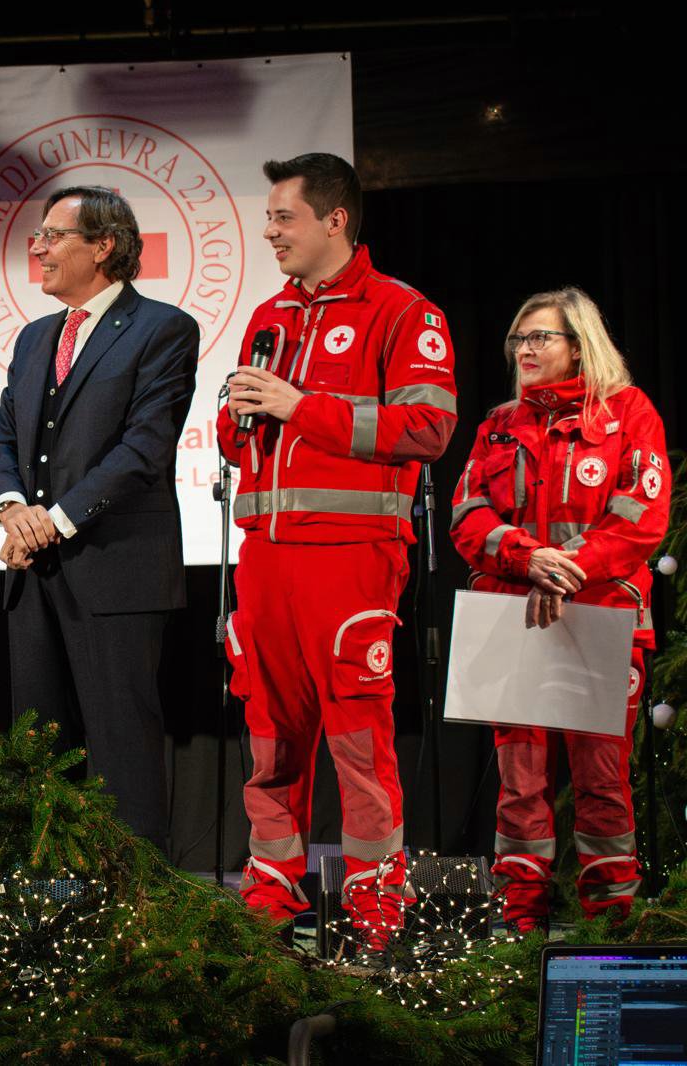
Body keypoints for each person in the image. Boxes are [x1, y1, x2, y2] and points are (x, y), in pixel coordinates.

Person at [216, 154, 458, 951]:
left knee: (358, 739)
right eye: (268, 218)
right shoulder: (269, 315)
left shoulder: (403, 311)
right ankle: (271, 899)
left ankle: (376, 912)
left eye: (283, 217)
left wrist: (301, 407)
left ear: (335, 219)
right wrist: (237, 416)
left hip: (351, 555)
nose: (269, 231)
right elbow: (239, 438)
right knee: (270, 734)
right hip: (266, 557)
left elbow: (428, 427)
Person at [0, 185, 199, 852]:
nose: (38, 248)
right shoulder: (33, 338)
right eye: (39, 236)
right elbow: (2, 439)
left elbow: (143, 449)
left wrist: (54, 519)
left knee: (121, 745)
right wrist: (12, 508)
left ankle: (138, 899)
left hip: (117, 571)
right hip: (34, 574)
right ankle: (49, 890)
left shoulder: (163, 328)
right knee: (38, 748)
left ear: (104, 246)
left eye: (53, 236)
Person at [450, 287, 668, 931]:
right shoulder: (499, 421)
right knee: (519, 785)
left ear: (579, 345)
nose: (525, 349)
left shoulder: (629, 412)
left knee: (602, 782)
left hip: (602, 620)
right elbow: (467, 513)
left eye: (539, 337)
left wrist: (564, 568)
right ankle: (521, 924)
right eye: (518, 338)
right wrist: (528, 559)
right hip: (514, 619)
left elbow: (640, 515)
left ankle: (611, 923)